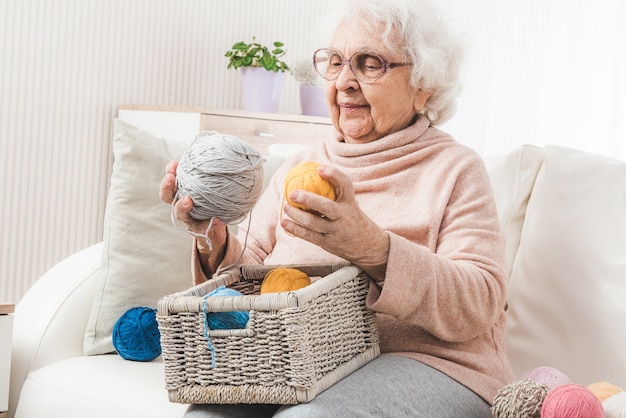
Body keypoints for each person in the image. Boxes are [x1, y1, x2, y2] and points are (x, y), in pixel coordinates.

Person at [160, 0, 515, 416]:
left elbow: (480, 300)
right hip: (299, 362)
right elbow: (249, 276)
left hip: (435, 365)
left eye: (369, 64)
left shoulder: (455, 168)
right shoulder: (299, 165)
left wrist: (374, 249)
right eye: (335, 62)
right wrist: (212, 237)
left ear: (424, 84)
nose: (344, 81)